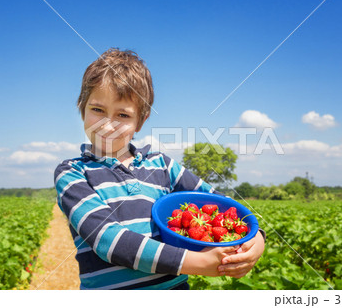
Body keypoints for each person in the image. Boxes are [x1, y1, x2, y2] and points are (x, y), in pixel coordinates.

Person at [54, 48, 265, 290]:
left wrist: (256, 241)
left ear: (140, 122)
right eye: (97, 110)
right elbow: (106, 240)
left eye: (122, 114)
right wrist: (196, 262)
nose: (108, 124)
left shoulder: (162, 166)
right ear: (82, 107)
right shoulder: (72, 173)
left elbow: (224, 208)